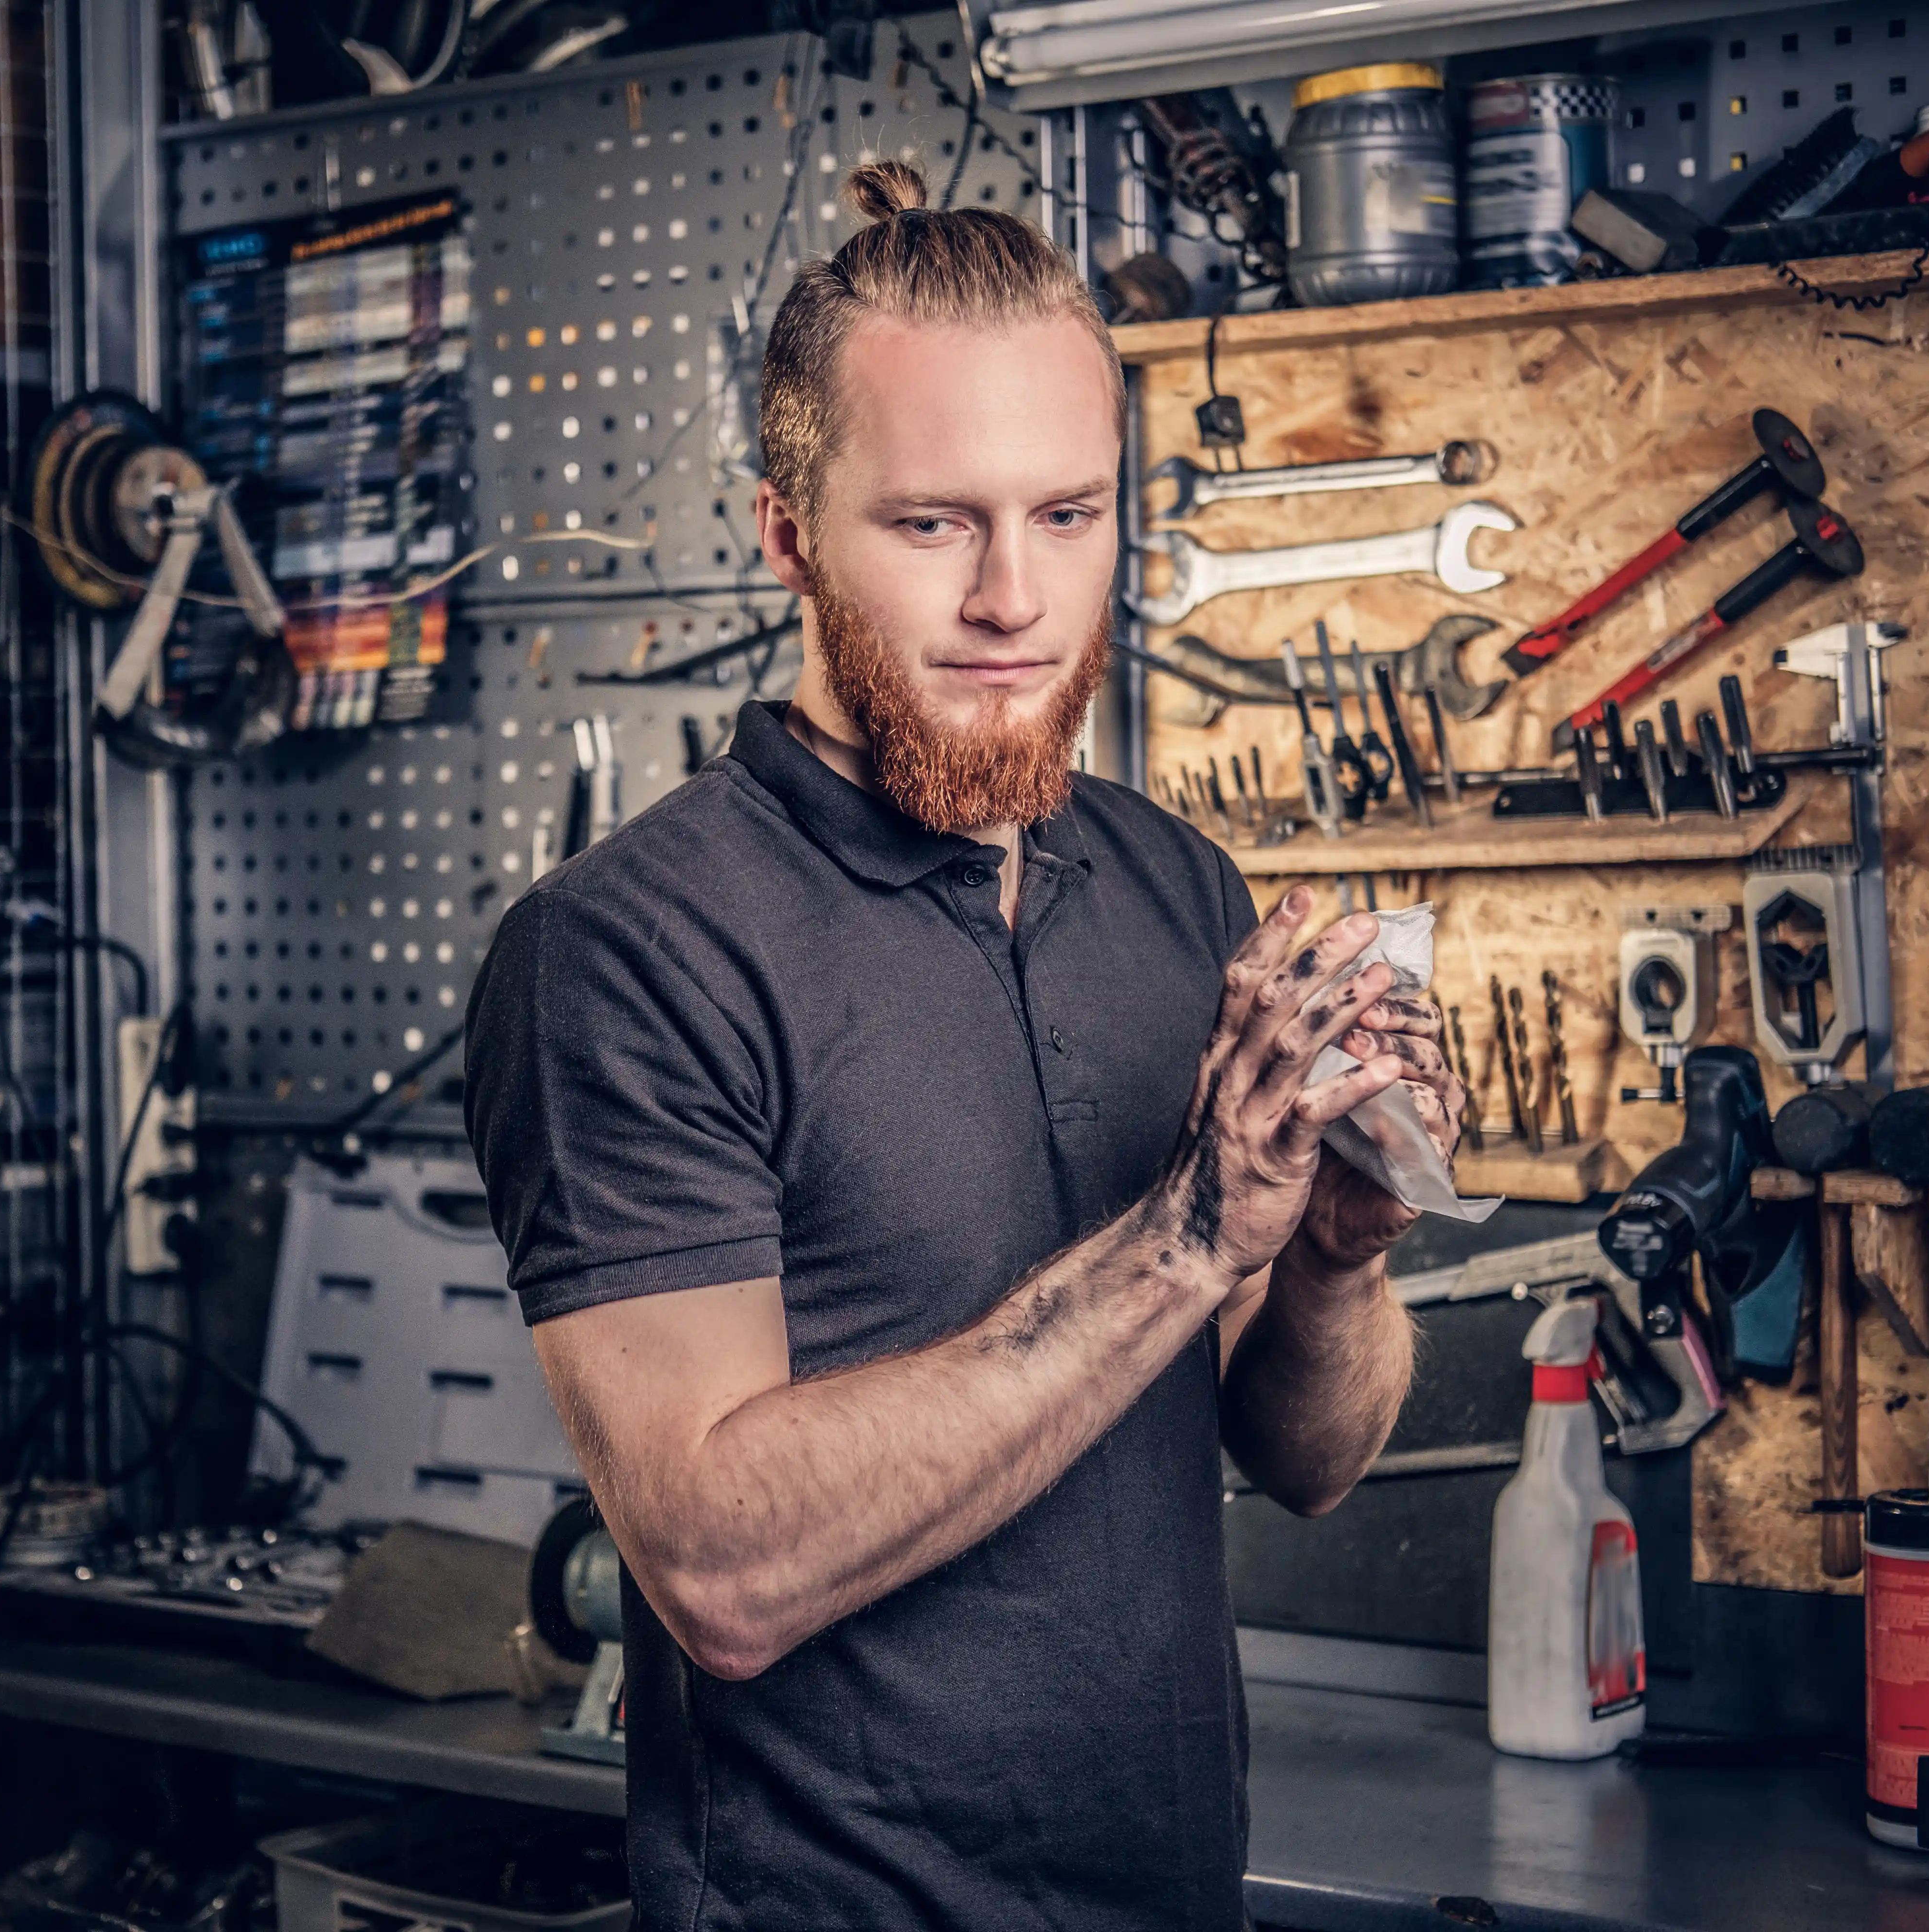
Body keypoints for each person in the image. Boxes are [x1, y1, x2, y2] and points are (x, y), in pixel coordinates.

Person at [466, 157, 1467, 1932]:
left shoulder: (1178, 888)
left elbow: (1306, 1463)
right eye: (933, 525)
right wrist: (1183, 1235)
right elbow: (717, 1566)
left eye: (1067, 517)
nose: (1015, 599)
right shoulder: (630, 952)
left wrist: (1329, 1252)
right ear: (786, 533)